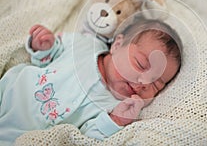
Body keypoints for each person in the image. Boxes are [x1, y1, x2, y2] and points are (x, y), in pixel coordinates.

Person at [0, 19, 182, 145]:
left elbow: (86, 138)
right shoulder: (86, 45)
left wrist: (115, 121)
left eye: (155, 84)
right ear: (117, 45)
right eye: (141, 64)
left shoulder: (115, 108)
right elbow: (48, 58)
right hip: (11, 92)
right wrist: (43, 46)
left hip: (23, 136)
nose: (143, 82)